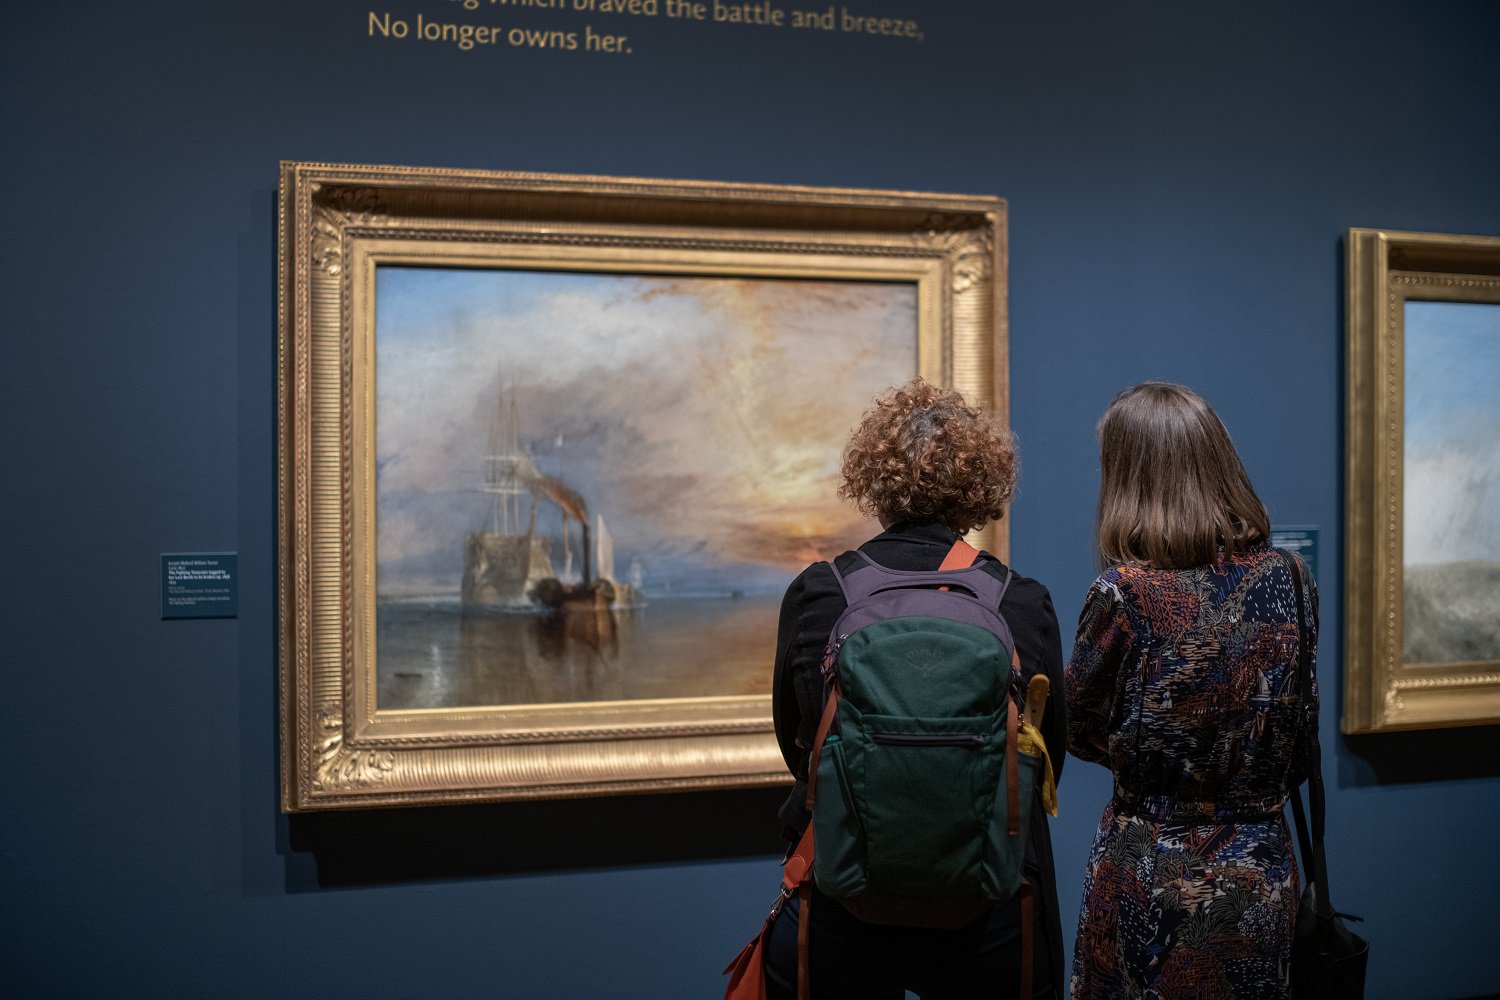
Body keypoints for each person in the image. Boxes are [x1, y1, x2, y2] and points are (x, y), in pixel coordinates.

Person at [766, 377, 1068, 999]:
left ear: (873, 482)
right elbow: (1046, 757)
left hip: (843, 895)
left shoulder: (821, 592)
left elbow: (800, 747)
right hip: (990, 904)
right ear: (982, 486)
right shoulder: (1021, 599)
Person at [1065, 382, 1316, 999]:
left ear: (1128, 477)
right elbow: (1296, 717)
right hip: (1259, 861)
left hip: (1151, 859)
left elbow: (1076, 729)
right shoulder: (1289, 577)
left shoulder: (1123, 594)